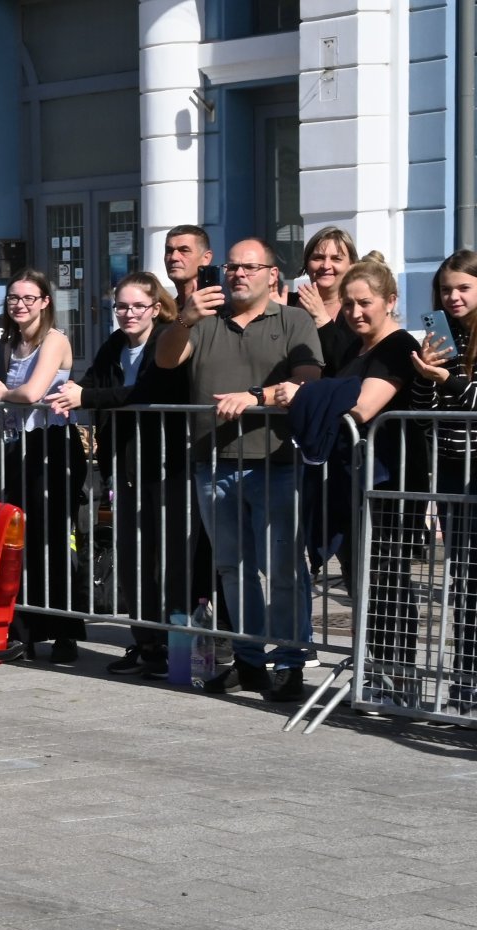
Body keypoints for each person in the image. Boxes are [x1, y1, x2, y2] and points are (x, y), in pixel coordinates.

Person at [153, 237, 323, 700]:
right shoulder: (205, 320)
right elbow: (166, 360)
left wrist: (256, 397)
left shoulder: (293, 320)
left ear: (272, 274)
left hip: (276, 464)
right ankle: (248, 660)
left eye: (249, 267)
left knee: (283, 569)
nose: (238, 275)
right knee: (233, 568)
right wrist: (185, 318)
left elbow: (308, 377)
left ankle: (289, 662)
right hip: (213, 464)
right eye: (232, 267)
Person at [283, 254, 421, 698]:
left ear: (390, 301)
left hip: (387, 485)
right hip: (350, 483)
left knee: (386, 581)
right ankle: (374, 672)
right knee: (363, 581)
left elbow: (362, 407)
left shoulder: (398, 346)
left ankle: (398, 678)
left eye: (365, 303)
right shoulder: (355, 348)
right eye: (348, 304)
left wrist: (305, 394)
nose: (355, 312)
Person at [48, 273, 190, 677]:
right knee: (131, 559)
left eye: (137, 306)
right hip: (123, 464)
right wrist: (69, 393)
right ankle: (145, 644)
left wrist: (87, 396)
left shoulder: (166, 340)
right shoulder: (114, 344)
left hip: (166, 463)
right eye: (122, 306)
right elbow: (91, 381)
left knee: (168, 561)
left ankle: (176, 646)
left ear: (156, 308)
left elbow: (146, 391)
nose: (128, 314)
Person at [0, 269, 82, 662]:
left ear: (45, 302)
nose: (19, 305)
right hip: (17, 446)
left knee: (53, 539)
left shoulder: (54, 340)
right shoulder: (13, 342)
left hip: (51, 446)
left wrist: (3, 393)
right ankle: (24, 629)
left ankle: (64, 633)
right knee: (20, 539)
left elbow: (33, 392)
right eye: (13, 298)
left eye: (28, 298)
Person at [410, 249, 477, 707]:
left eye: (464, 288)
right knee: (464, 581)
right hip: (453, 470)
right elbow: (422, 417)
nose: (453, 297)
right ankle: (464, 682)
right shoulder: (441, 336)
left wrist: (447, 380)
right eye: (446, 289)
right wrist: (425, 376)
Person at [290, 226, 359, 375]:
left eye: (336, 259)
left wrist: (321, 319)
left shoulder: (357, 310)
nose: (326, 266)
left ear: (351, 266)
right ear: (307, 264)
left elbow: (349, 365)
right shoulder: (287, 302)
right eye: (318, 258)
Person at [162, 224, 214, 309]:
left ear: (206, 258)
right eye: (169, 251)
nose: (173, 257)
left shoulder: (220, 311)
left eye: (184, 250)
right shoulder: (164, 313)